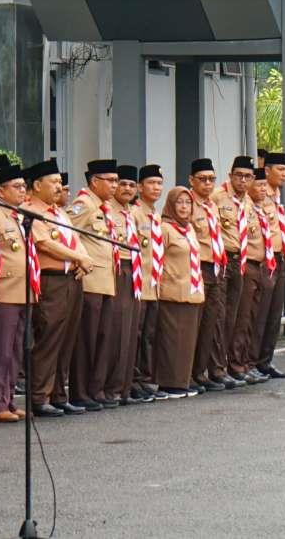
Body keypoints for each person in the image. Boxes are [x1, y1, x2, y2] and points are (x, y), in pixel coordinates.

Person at [22, 159, 93, 417]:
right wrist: (78, 257)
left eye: (60, 183)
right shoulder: (29, 210)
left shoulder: (60, 212)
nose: (58, 187)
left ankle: (59, 394)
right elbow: (43, 243)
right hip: (51, 279)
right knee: (49, 337)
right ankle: (39, 396)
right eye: (53, 182)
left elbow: (76, 240)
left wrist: (82, 258)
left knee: (67, 338)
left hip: (71, 278)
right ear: (37, 185)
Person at [0, 164, 33, 422]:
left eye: (24, 186)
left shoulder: (17, 215)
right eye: (17, 186)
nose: (23, 191)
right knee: (0, 350)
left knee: (15, 350)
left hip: (22, 290)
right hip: (2, 291)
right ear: (0, 190)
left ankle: (9, 398)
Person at [67, 159, 120, 411]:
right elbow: (67, 232)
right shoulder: (83, 204)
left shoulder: (103, 207)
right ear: (94, 181)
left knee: (102, 338)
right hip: (89, 281)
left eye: (116, 180)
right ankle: (81, 391)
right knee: (86, 339)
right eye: (110, 180)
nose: (114, 185)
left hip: (106, 280)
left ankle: (96, 389)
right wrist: (78, 258)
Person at [152, 186, 205, 397]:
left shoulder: (189, 229)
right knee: (171, 340)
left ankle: (182, 379)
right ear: (170, 205)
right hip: (172, 291)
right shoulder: (165, 228)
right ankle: (169, 382)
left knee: (187, 340)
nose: (184, 207)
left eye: (188, 203)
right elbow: (157, 260)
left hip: (192, 291)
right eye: (179, 203)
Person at [210, 156, 256, 390]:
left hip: (241, 260)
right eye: (238, 175)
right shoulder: (217, 197)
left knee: (236, 317)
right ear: (230, 176)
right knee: (219, 316)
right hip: (223, 260)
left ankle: (231, 365)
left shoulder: (248, 202)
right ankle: (216, 368)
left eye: (248, 176)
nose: (243, 180)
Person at [105, 165, 148, 405]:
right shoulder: (107, 210)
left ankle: (124, 386)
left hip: (135, 271)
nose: (127, 189)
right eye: (122, 184)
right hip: (118, 269)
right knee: (118, 331)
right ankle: (112, 388)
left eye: (132, 185)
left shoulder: (133, 212)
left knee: (131, 331)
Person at [187, 158, 228, 393]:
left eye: (211, 179)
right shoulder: (187, 204)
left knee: (211, 323)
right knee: (196, 322)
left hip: (216, 267)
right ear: (191, 180)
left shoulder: (212, 205)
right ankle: (190, 371)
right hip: (198, 268)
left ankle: (202, 371)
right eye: (202, 179)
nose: (207, 183)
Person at [229, 172, 274, 384]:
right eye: (261, 184)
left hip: (260, 265)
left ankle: (247, 362)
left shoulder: (256, 207)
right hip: (243, 265)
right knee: (242, 318)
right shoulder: (234, 203)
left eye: (266, 185)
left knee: (253, 319)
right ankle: (236, 364)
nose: (264, 189)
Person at [254, 152, 285, 379]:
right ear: (267, 170)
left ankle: (265, 360)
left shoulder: (276, 194)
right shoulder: (259, 194)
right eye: (280, 169)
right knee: (260, 314)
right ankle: (251, 361)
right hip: (264, 260)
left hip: (279, 258)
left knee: (274, 313)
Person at [132, 164, 168, 401]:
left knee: (148, 334)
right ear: (139, 186)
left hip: (153, 284)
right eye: (151, 183)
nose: (156, 188)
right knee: (136, 334)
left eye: (159, 183)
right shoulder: (134, 213)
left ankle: (144, 378)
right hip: (139, 283)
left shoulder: (154, 214)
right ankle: (134, 379)